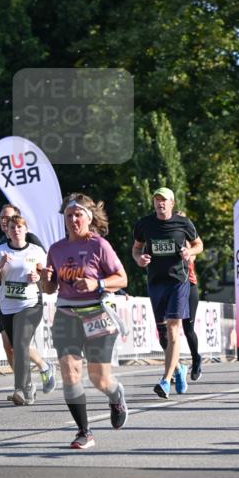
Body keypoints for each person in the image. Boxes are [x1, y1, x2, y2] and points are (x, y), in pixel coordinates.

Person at [40, 194, 128, 450]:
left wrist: (97, 283)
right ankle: (84, 431)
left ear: (88, 218)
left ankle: (115, 394)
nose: (73, 219)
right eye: (69, 215)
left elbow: (122, 279)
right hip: (67, 315)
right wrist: (44, 279)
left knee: (99, 379)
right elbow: (49, 288)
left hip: (98, 315)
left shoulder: (99, 245)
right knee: (69, 372)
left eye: (78, 215)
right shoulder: (56, 249)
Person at [132, 188, 203, 397]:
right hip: (155, 282)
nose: (160, 203)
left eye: (164, 200)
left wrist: (190, 251)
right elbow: (136, 248)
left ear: (172, 203)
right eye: (156, 200)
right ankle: (179, 367)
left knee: (174, 328)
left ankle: (165, 380)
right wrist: (139, 259)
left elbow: (199, 244)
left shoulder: (184, 223)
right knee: (163, 333)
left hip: (178, 281)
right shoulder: (144, 224)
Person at [0, 203, 55, 393]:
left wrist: (38, 275)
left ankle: (37, 373)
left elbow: (42, 266)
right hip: (6, 301)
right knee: (8, 345)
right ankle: (24, 382)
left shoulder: (30, 239)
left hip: (29, 301)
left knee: (20, 343)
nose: (5, 220)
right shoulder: (1, 243)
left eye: (9, 217)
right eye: (2, 218)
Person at [156, 212, 202, 382]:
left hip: (188, 286)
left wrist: (186, 252)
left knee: (187, 328)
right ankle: (175, 366)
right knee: (165, 331)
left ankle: (196, 358)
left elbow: (192, 256)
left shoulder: (189, 244)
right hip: (167, 286)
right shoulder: (163, 239)